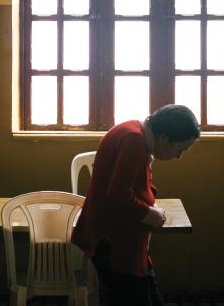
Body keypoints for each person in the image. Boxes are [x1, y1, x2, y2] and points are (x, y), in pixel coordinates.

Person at [71, 104, 200, 306]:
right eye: (180, 149)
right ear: (165, 138)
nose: (178, 156)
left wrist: (150, 208)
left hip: (122, 239)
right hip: (114, 243)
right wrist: (151, 214)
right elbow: (118, 195)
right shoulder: (134, 141)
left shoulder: (134, 132)